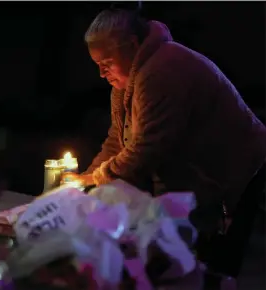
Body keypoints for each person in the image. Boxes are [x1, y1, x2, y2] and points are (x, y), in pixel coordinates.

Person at [64, 8, 266, 279]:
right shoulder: (125, 83)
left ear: (133, 45)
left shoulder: (163, 70)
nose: (102, 74)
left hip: (237, 175)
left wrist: (95, 179)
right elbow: (117, 142)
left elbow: (148, 149)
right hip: (199, 184)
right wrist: (86, 182)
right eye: (97, 65)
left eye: (107, 62)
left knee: (212, 267)